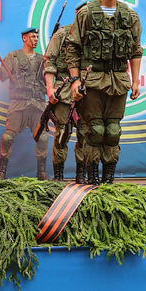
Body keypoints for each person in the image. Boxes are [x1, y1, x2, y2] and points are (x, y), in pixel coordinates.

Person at [64, 0, 143, 185]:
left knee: (113, 131)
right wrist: (75, 80)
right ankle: (92, 178)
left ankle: (108, 180)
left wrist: (135, 80)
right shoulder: (86, 14)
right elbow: (73, 49)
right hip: (93, 81)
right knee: (95, 130)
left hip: (119, 80)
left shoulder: (130, 16)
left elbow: (136, 50)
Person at [0, 27, 50, 180]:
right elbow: (0, 75)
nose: (35, 40)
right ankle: (1, 172)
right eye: (32, 37)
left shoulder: (43, 60)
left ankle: (41, 172)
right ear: (24, 38)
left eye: (37, 37)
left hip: (37, 105)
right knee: (7, 138)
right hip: (19, 104)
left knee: (43, 138)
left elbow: (49, 81)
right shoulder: (13, 57)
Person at [42, 20, 82, 182]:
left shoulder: (93, 33)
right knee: (62, 133)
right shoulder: (62, 34)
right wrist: (50, 88)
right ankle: (58, 177)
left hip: (87, 90)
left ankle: (81, 176)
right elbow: (50, 62)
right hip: (64, 91)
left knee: (85, 134)